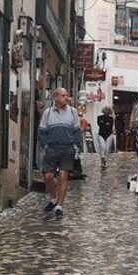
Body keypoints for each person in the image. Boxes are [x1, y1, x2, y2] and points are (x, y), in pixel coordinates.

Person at [38, 87, 81, 219]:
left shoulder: (72, 112)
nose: (66, 98)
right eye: (63, 95)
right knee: (48, 176)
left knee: (63, 176)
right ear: (55, 97)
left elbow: (77, 130)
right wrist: (45, 145)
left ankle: (59, 206)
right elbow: (42, 131)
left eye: (67, 95)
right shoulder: (48, 113)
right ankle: (53, 198)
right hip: (52, 148)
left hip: (67, 149)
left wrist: (73, 144)